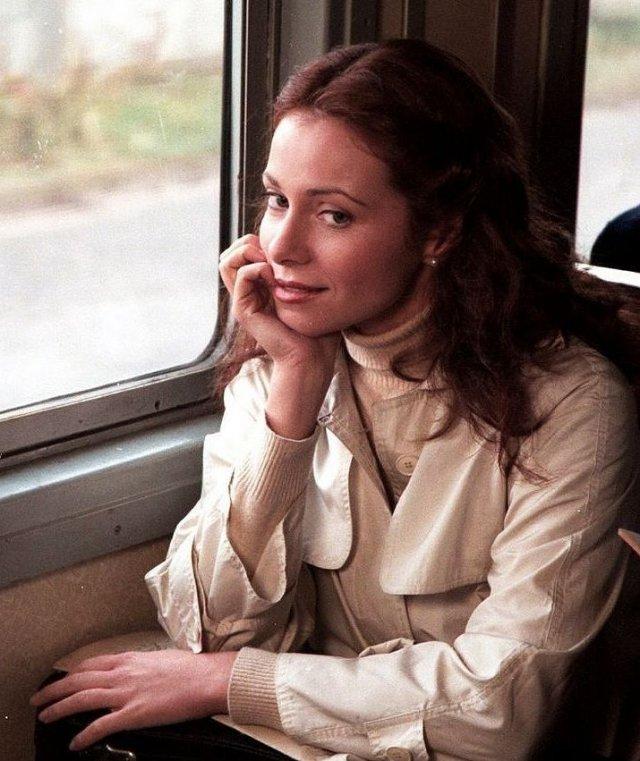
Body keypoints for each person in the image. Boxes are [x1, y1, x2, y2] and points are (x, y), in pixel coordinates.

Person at [31, 39, 640, 761]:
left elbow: (502, 709)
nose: (282, 246)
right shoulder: (279, 365)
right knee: (78, 699)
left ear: (439, 231)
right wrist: (292, 399)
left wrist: (233, 681)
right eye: (277, 200)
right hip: (325, 735)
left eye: (335, 216)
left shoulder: (574, 406)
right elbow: (210, 635)